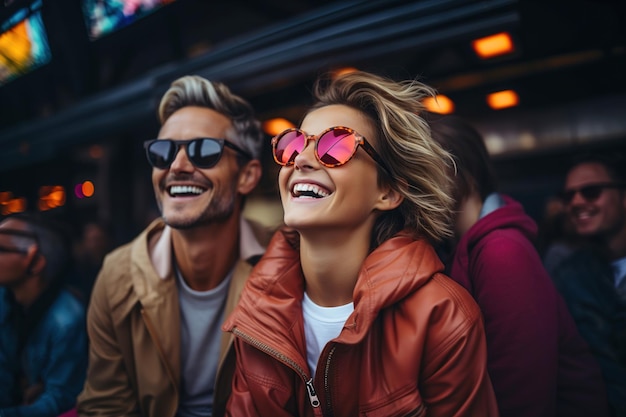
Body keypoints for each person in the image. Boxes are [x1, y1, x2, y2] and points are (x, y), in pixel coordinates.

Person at [223, 71, 499, 416]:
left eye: (335, 146)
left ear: (388, 192)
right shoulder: (257, 308)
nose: (302, 160)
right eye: (292, 144)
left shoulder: (443, 317)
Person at [77, 75, 271, 417]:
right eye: (163, 152)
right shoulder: (116, 274)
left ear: (247, 176)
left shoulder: (287, 260)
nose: (177, 167)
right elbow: (106, 407)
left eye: (204, 150)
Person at [429, 115, 610, 417]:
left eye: (421, 170)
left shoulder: (501, 251)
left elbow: (523, 393)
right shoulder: (466, 248)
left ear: (454, 172)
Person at [551, 153, 626, 417]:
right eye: (568, 196)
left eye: (591, 192)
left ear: (624, 198)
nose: (577, 202)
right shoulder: (567, 276)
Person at [0, 211, 87, 416]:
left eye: (2, 249)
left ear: (36, 262)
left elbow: (62, 400)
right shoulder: (5, 299)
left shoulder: (67, 320)